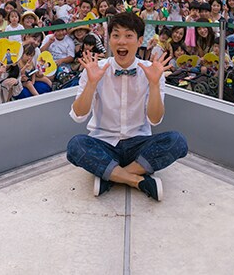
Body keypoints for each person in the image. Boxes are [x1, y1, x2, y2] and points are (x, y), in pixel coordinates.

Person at [66, 12, 188, 201]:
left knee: (177, 141)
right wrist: (91, 83)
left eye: (128, 35)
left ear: (140, 40)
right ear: (110, 41)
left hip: (138, 143)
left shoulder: (151, 70)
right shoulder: (95, 69)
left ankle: (112, 176)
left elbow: (155, 119)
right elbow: (79, 115)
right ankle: (137, 180)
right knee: (76, 146)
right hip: (104, 142)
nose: (121, 41)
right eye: (116, 35)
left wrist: (154, 84)